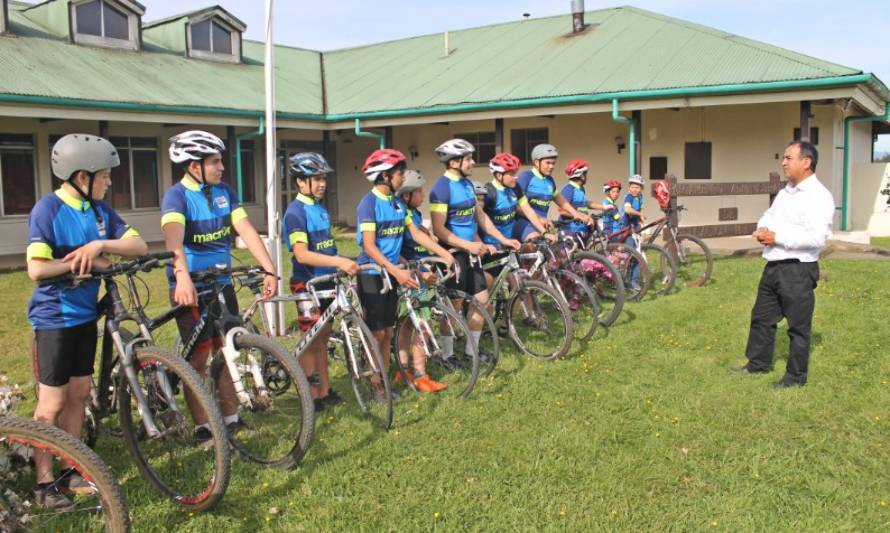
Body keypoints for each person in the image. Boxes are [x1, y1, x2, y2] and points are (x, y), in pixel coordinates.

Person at [27, 134, 148, 508]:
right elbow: (35, 268)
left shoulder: (100, 212)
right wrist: (82, 264)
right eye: (105, 176)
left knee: (79, 395)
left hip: (84, 318)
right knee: (52, 402)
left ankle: (69, 470)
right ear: (83, 176)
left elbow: (139, 245)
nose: (110, 182)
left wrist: (100, 247)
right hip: (54, 319)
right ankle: (43, 482)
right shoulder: (47, 210)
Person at [161, 130, 278, 441]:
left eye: (221, 161)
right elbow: (173, 241)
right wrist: (182, 277)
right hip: (191, 287)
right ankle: (203, 427)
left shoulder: (224, 191)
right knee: (197, 359)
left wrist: (269, 269)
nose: (222, 167)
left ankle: (230, 418)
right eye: (215, 162)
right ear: (193, 166)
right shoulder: (177, 196)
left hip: (222, 284)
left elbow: (246, 229)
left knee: (226, 351)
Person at [731, 141, 834, 388]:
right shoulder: (785, 191)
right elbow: (769, 215)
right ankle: (758, 364)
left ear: (806, 162)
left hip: (798, 269)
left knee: (798, 327)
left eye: (789, 158)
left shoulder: (819, 196)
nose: (784, 162)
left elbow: (817, 239)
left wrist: (777, 237)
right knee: (761, 318)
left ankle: (795, 378)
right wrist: (763, 227)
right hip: (774, 265)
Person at [356, 149, 452, 399]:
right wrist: (394, 271)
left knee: (388, 331)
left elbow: (415, 234)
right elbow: (369, 246)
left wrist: (443, 254)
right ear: (385, 176)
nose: (403, 177)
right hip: (372, 274)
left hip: (393, 270)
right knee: (377, 333)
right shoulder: (368, 204)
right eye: (400, 173)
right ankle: (375, 383)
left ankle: (385, 380)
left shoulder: (398, 203)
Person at [429, 139, 517, 369]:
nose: (472, 162)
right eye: (468, 159)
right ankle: (446, 355)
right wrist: (467, 246)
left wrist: (503, 239)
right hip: (454, 254)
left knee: (483, 301)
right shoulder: (441, 187)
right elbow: (439, 229)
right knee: (455, 306)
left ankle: (471, 350)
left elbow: (480, 218)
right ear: (454, 162)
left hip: (472, 253)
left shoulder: (468, 185)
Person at [283, 153, 358, 411]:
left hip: (327, 281)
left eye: (323, 178)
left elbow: (327, 248)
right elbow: (302, 253)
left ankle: (324, 391)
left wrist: (343, 261)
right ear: (300, 182)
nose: (322, 183)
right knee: (310, 339)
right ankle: (309, 395)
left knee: (323, 337)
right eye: (316, 179)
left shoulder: (320, 209)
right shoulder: (295, 212)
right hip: (307, 284)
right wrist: (338, 263)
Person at [395, 169, 451, 393]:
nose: (423, 194)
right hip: (412, 275)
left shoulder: (415, 214)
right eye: (418, 191)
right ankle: (418, 374)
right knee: (420, 326)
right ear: (406, 195)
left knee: (409, 324)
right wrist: (418, 273)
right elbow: (396, 252)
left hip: (421, 273)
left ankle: (404, 369)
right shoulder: (402, 218)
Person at [511, 144, 591, 243]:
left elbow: (560, 199)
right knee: (535, 245)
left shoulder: (550, 180)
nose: (551, 166)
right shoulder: (526, 177)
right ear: (537, 162)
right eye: (548, 163)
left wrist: (576, 214)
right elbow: (516, 206)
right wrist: (539, 218)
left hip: (542, 224)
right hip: (524, 224)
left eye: (553, 163)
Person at [557, 159, 606, 239]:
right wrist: (580, 216)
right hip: (570, 231)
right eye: (586, 174)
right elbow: (562, 211)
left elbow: (586, 203)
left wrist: (604, 207)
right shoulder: (568, 189)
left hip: (581, 230)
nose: (587, 176)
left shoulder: (581, 189)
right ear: (582, 176)